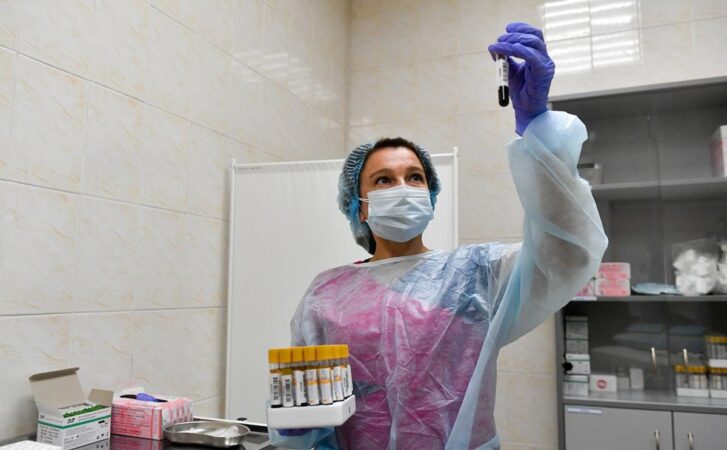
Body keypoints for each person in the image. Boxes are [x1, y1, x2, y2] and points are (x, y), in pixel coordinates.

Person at [270, 22, 608, 449]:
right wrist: (296, 429)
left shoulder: (477, 278)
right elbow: (306, 409)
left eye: (415, 177)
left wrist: (538, 128)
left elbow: (567, 250)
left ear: (430, 196)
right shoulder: (327, 294)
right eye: (383, 180)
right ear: (359, 206)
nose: (403, 188)